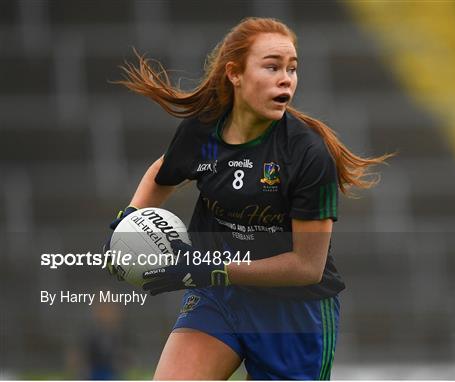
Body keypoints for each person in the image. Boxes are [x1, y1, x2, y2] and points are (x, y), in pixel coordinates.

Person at [107, 17, 390, 380]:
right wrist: (129, 219)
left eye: (292, 68)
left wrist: (213, 267)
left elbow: (307, 266)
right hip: (219, 299)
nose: (286, 78)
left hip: (293, 313)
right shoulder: (203, 131)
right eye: (272, 66)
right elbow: (162, 173)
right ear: (234, 74)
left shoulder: (307, 154)